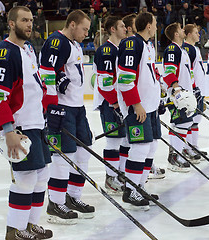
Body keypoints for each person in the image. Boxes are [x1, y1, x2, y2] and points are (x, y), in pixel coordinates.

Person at [0, 6, 52, 239]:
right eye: (24, 20)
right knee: (26, 179)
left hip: (35, 123)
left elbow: (34, 88)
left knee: (42, 175)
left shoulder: (27, 50)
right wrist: (9, 130)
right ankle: (15, 230)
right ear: (11, 23)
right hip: (19, 126)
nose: (29, 24)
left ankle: (31, 224)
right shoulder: (6, 52)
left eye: (31, 20)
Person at [39, 9, 95, 224]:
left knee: (83, 152)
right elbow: (46, 72)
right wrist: (51, 107)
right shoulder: (56, 41)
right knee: (64, 157)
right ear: (72, 24)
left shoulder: (74, 44)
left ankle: (73, 197)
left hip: (78, 107)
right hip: (62, 109)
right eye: (84, 29)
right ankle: (55, 203)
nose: (86, 33)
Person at [117, 12, 160, 210]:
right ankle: (130, 190)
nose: (157, 26)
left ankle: (140, 186)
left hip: (149, 106)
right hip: (138, 106)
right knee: (141, 147)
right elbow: (125, 78)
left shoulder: (147, 45)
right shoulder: (132, 44)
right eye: (155, 23)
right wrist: (135, 104)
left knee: (151, 147)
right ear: (149, 25)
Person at [93, 16, 127, 195]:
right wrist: (114, 102)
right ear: (112, 29)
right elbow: (104, 82)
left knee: (122, 138)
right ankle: (110, 177)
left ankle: (119, 174)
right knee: (113, 139)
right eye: (122, 25)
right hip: (110, 102)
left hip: (118, 102)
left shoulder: (119, 48)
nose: (125, 28)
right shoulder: (107, 50)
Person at [163, 22, 196, 172]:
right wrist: (177, 90)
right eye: (181, 29)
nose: (184, 31)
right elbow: (169, 72)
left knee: (184, 124)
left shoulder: (182, 51)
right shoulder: (172, 49)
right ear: (176, 34)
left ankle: (177, 153)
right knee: (181, 124)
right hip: (177, 96)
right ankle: (174, 157)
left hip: (185, 94)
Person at [182, 23, 207, 160]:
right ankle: (186, 147)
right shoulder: (187, 49)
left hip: (198, 90)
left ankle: (193, 145)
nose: (199, 35)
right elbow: (189, 71)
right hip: (193, 90)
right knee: (189, 121)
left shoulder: (195, 48)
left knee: (196, 120)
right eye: (196, 32)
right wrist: (194, 87)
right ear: (189, 34)